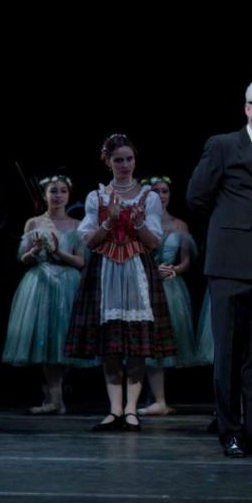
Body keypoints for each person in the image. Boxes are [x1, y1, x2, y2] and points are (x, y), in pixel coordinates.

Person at [187, 77, 252, 458]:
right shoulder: (223, 146)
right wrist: (227, 234)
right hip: (231, 267)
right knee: (229, 355)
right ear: (247, 108)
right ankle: (229, 431)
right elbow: (196, 197)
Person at [66, 135, 174, 431]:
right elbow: (88, 241)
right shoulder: (96, 197)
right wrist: (109, 221)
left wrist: (138, 223)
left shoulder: (148, 197)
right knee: (111, 345)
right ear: (108, 162)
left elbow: (153, 242)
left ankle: (131, 410)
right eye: (118, 160)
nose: (125, 165)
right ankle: (114, 409)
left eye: (129, 159)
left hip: (137, 271)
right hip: (106, 273)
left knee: (136, 344)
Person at [2, 175, 95, 413]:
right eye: (53, 191)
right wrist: (34, 251)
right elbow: (22, 258)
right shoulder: (33, 223)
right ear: (45, 195)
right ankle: (55, 399)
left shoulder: (76, 225)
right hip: (41, 283)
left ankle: (55, 393)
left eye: (62, 191)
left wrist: (58, 252)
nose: (58, 195)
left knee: (63, 343)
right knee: (45, 342)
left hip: (67, 284)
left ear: (68, 195)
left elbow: (81, 261)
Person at [139, 176, 204, 416]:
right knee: (149, 341)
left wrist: (175, 269)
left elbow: (186, 260)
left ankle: (159, 398)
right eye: (156, 192)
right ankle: (155, 397)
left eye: (164, 191)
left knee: (167, 342)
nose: (161, 195)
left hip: (172, 288)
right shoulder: (141, 223)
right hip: (146, 285)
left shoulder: (179, 225)